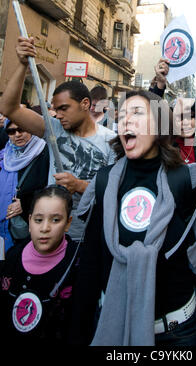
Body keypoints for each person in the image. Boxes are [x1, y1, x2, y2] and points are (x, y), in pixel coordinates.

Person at [69, 89, 196, 346]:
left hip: (178, 334)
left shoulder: (185, 178)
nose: (126, 120)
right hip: (112, 323)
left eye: (138, 113)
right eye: (123, 115)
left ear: (161, 124)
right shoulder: (105, 181)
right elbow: (90, 263)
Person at [0, 36, 116, 241]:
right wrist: (21, 65)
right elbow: (9, 108)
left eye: (64, 108)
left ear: (85, 104)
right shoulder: (52, 129)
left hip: (90, 236)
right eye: (55, 109)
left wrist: (80, 186)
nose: (58, 115)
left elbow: (116, 192)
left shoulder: (111, 142)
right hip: (52, 237)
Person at [0, 185, 79, 344]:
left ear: (68, 223)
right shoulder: (13, 257)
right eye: (38, 220)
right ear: (29, 221)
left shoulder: (78, 262)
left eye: (55, 220)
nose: (44, 228)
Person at [0, 120, 49, 252]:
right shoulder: (5, 155)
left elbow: (49, 189)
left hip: (27, 223)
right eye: (11, 131)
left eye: (22, 129)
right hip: (5, 225)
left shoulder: (43, 153)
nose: (17, 135)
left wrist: (26, 204)